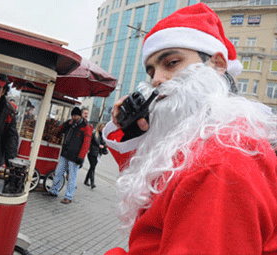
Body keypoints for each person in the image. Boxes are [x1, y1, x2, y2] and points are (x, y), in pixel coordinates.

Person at [103, 3, 277, 254]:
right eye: (151, 71)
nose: (157, 80)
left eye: (171, 62)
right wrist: (137, 135)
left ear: (217, 64)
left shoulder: (218, 162)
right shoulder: (204, 142)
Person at [47, 106, 92, 204]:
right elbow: (59, 130)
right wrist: (67, 123)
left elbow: (86, 143)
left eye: (76, 116)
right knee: (58, 173)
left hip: (75, 156)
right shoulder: (70, 124)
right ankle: (54, 191)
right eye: (73, 116)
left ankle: (68, 196)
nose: (74, 117)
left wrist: (81, 157)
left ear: (80, 116)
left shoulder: (86, 127)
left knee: (72, 176)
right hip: (65, 153)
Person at [84, 122, 107, 189]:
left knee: (92, 167)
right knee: (93, 167)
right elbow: (89, 143)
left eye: (103, 128)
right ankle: (92, 183)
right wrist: (98, 146)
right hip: (92, 153)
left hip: (98, 154)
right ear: (99, 127)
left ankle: (86, 180)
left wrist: (104, 146)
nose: (103, 129)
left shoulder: (103, 135)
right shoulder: (94, 133)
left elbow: (104, 144)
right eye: (102, 127)